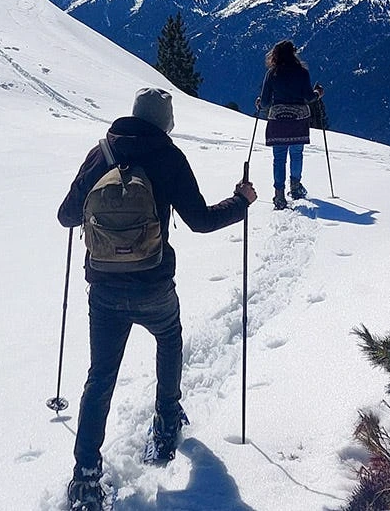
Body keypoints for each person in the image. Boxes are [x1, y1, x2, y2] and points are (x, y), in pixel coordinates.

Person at [57, 87, 257, 510]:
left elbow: (66, 215)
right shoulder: (169, 157)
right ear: (165, 123)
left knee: (101, 376)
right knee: (168, 336)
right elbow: (200, 220)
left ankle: (86, 476)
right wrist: (240, 202)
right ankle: (166, 420)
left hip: (105, 289)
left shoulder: (101, 153)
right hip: (152, 282)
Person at [255, 40, 323, 210]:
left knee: (279, 158)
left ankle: (279, 195)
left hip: (278, 120)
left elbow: (264, 103)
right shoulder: (302, 72)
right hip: (298, 120)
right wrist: (318, 93)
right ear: (293, 53)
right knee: (297, 153)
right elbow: (309, 97)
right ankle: (296, 186)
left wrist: (259, 104)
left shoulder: (272, 73)